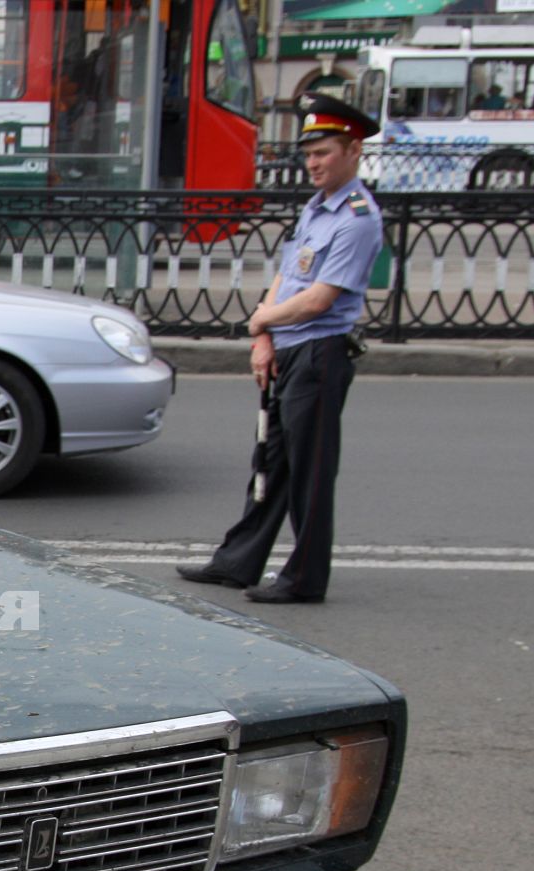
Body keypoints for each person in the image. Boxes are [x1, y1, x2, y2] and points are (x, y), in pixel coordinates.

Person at [177, 93, 384, 605]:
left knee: (310, 475)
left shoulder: (357, 218)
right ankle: (238, 561)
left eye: (324, 153)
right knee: (269, 465)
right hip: (289, 352)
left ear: (353, 151)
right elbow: (286, 279)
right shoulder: (316, 210)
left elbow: (318, 299)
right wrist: (263, 337)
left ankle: (304, 578)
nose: (313, 163)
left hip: (319, 354)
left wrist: (263, 320)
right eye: (309, 154)